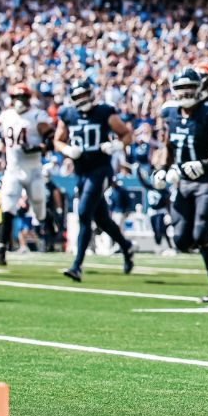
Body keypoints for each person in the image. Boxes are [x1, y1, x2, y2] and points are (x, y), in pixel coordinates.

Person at [151, 67, 208, 302]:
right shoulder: (170, 114)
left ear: (199, 89)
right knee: (181, 240)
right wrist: (160, 169)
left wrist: (206, 164)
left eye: (190, 87)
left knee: (201, 234)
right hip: (183, 183)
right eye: (181, 88)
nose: (186, 92)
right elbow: (168, 147)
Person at [54, 79, 136, 281]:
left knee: (83, 213)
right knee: (101, 219)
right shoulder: (68, 114)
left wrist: (116, 145)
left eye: (84, 95)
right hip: (81, 172)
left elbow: (127, 135)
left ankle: (76, 266)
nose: (82, 100)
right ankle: (126, 247)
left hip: (100, 171)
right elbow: (57, 140)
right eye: (78, 96)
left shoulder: (104, 112)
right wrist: (66, 149)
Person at [0, 83, 53, 265]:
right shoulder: (6, 116)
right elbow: (2, 140)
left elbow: (50, 139)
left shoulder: (37, 116)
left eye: (23, 98)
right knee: (8, 205)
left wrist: (37, 147)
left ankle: (50, 229)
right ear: (12, 99)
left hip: (34, 168)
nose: (20, 101)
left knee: (38, 203)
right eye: (17, 98)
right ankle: (2, 248)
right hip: (13, 168)